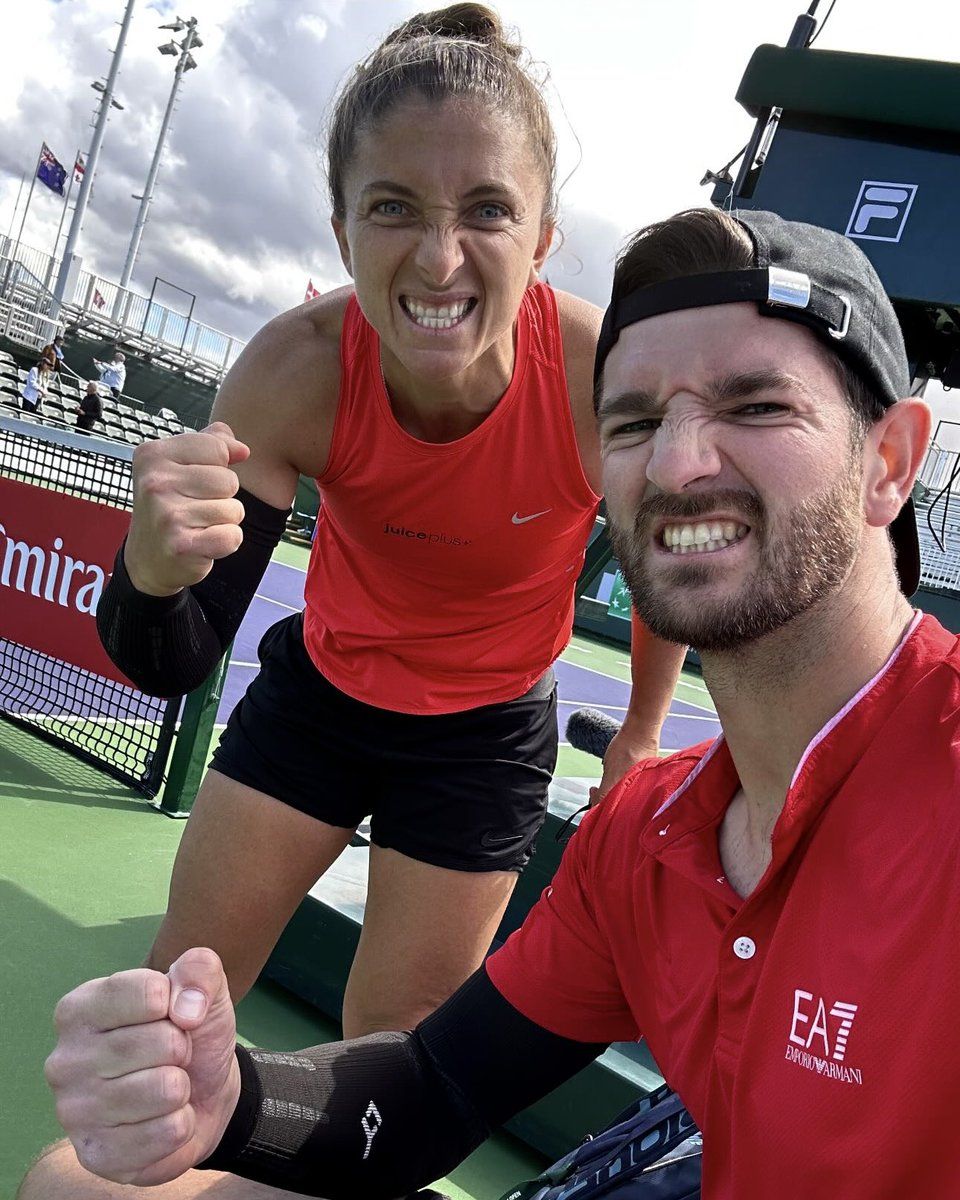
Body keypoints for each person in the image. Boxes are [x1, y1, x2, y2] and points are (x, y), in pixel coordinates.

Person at [29, 206, 954, 1200]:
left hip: (479, 743)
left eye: (758, 407)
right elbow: (433, 1085)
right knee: (76, 1185)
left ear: (889, 463)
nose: (680, 465)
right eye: (636, 422)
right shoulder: (649, 835)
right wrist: (235, 1102)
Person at [90, 2, 684, 1043]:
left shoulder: (603, 382)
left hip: (486, 737)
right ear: (343, 231)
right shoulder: (293, 374)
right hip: (320, 701)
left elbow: (665, 565)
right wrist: (147, 572)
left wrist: (639, 731)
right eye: (395, 207)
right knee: (175, 1006)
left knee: (395, 1059)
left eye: (489, 211)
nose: (441, 260)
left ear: (543, 240)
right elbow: (170, 659)